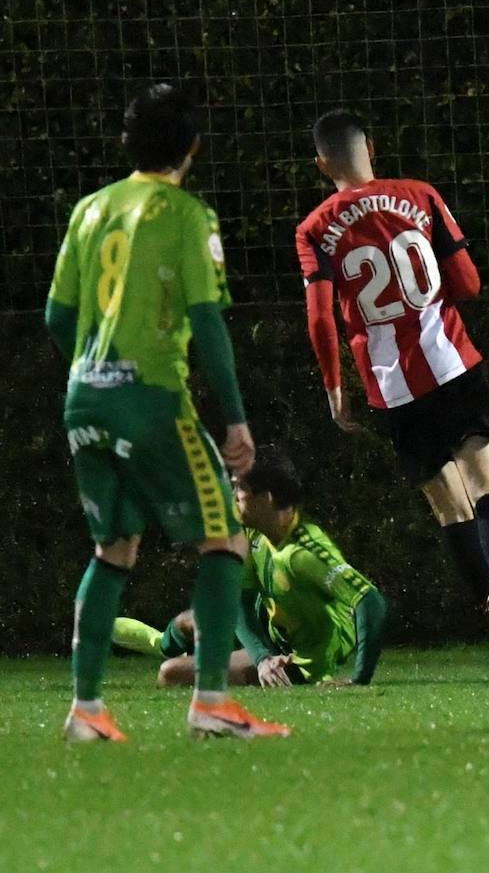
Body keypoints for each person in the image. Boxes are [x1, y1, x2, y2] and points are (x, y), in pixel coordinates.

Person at [44, 83, 289, 740]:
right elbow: (207, 322)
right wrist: (235, 419)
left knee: (114, 547)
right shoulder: (187, 215)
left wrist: (91, 370)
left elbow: (56, 315)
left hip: (83, 398)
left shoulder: (90, 210)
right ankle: (211, 699)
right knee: (226, 536)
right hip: (149, 398)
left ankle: (87, 709)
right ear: (192, 148)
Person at [293, 109, 489, 674]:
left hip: (392, 391)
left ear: (321, 164)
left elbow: (319, 320)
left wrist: (336, 389)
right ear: (372, 148)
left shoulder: (314, 229)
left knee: (448, 507)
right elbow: (469, 284)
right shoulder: (421, 195)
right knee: (487, 484)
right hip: (452, 365)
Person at [114, 447, 388, 687]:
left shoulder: (303, 554)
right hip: (270, 628)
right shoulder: (252, 532)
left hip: (301, 660)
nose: (234, 496)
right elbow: (239, 601)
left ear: (266, 499)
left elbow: (370, 601)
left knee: (170, 673)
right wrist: (261, 657)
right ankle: (156, 641)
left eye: (239, 489)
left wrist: (359, 679)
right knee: (190, 620)